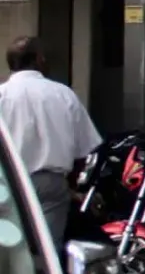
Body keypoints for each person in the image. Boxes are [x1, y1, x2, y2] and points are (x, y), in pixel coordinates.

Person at [0, 37, 102, 249]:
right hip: (50, 184)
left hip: (7, 183)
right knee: (48, 249)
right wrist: (72, 186)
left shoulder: (2, 95)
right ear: (38, 59)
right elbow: (85, 149)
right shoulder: (63, 94)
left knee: (8, 250)